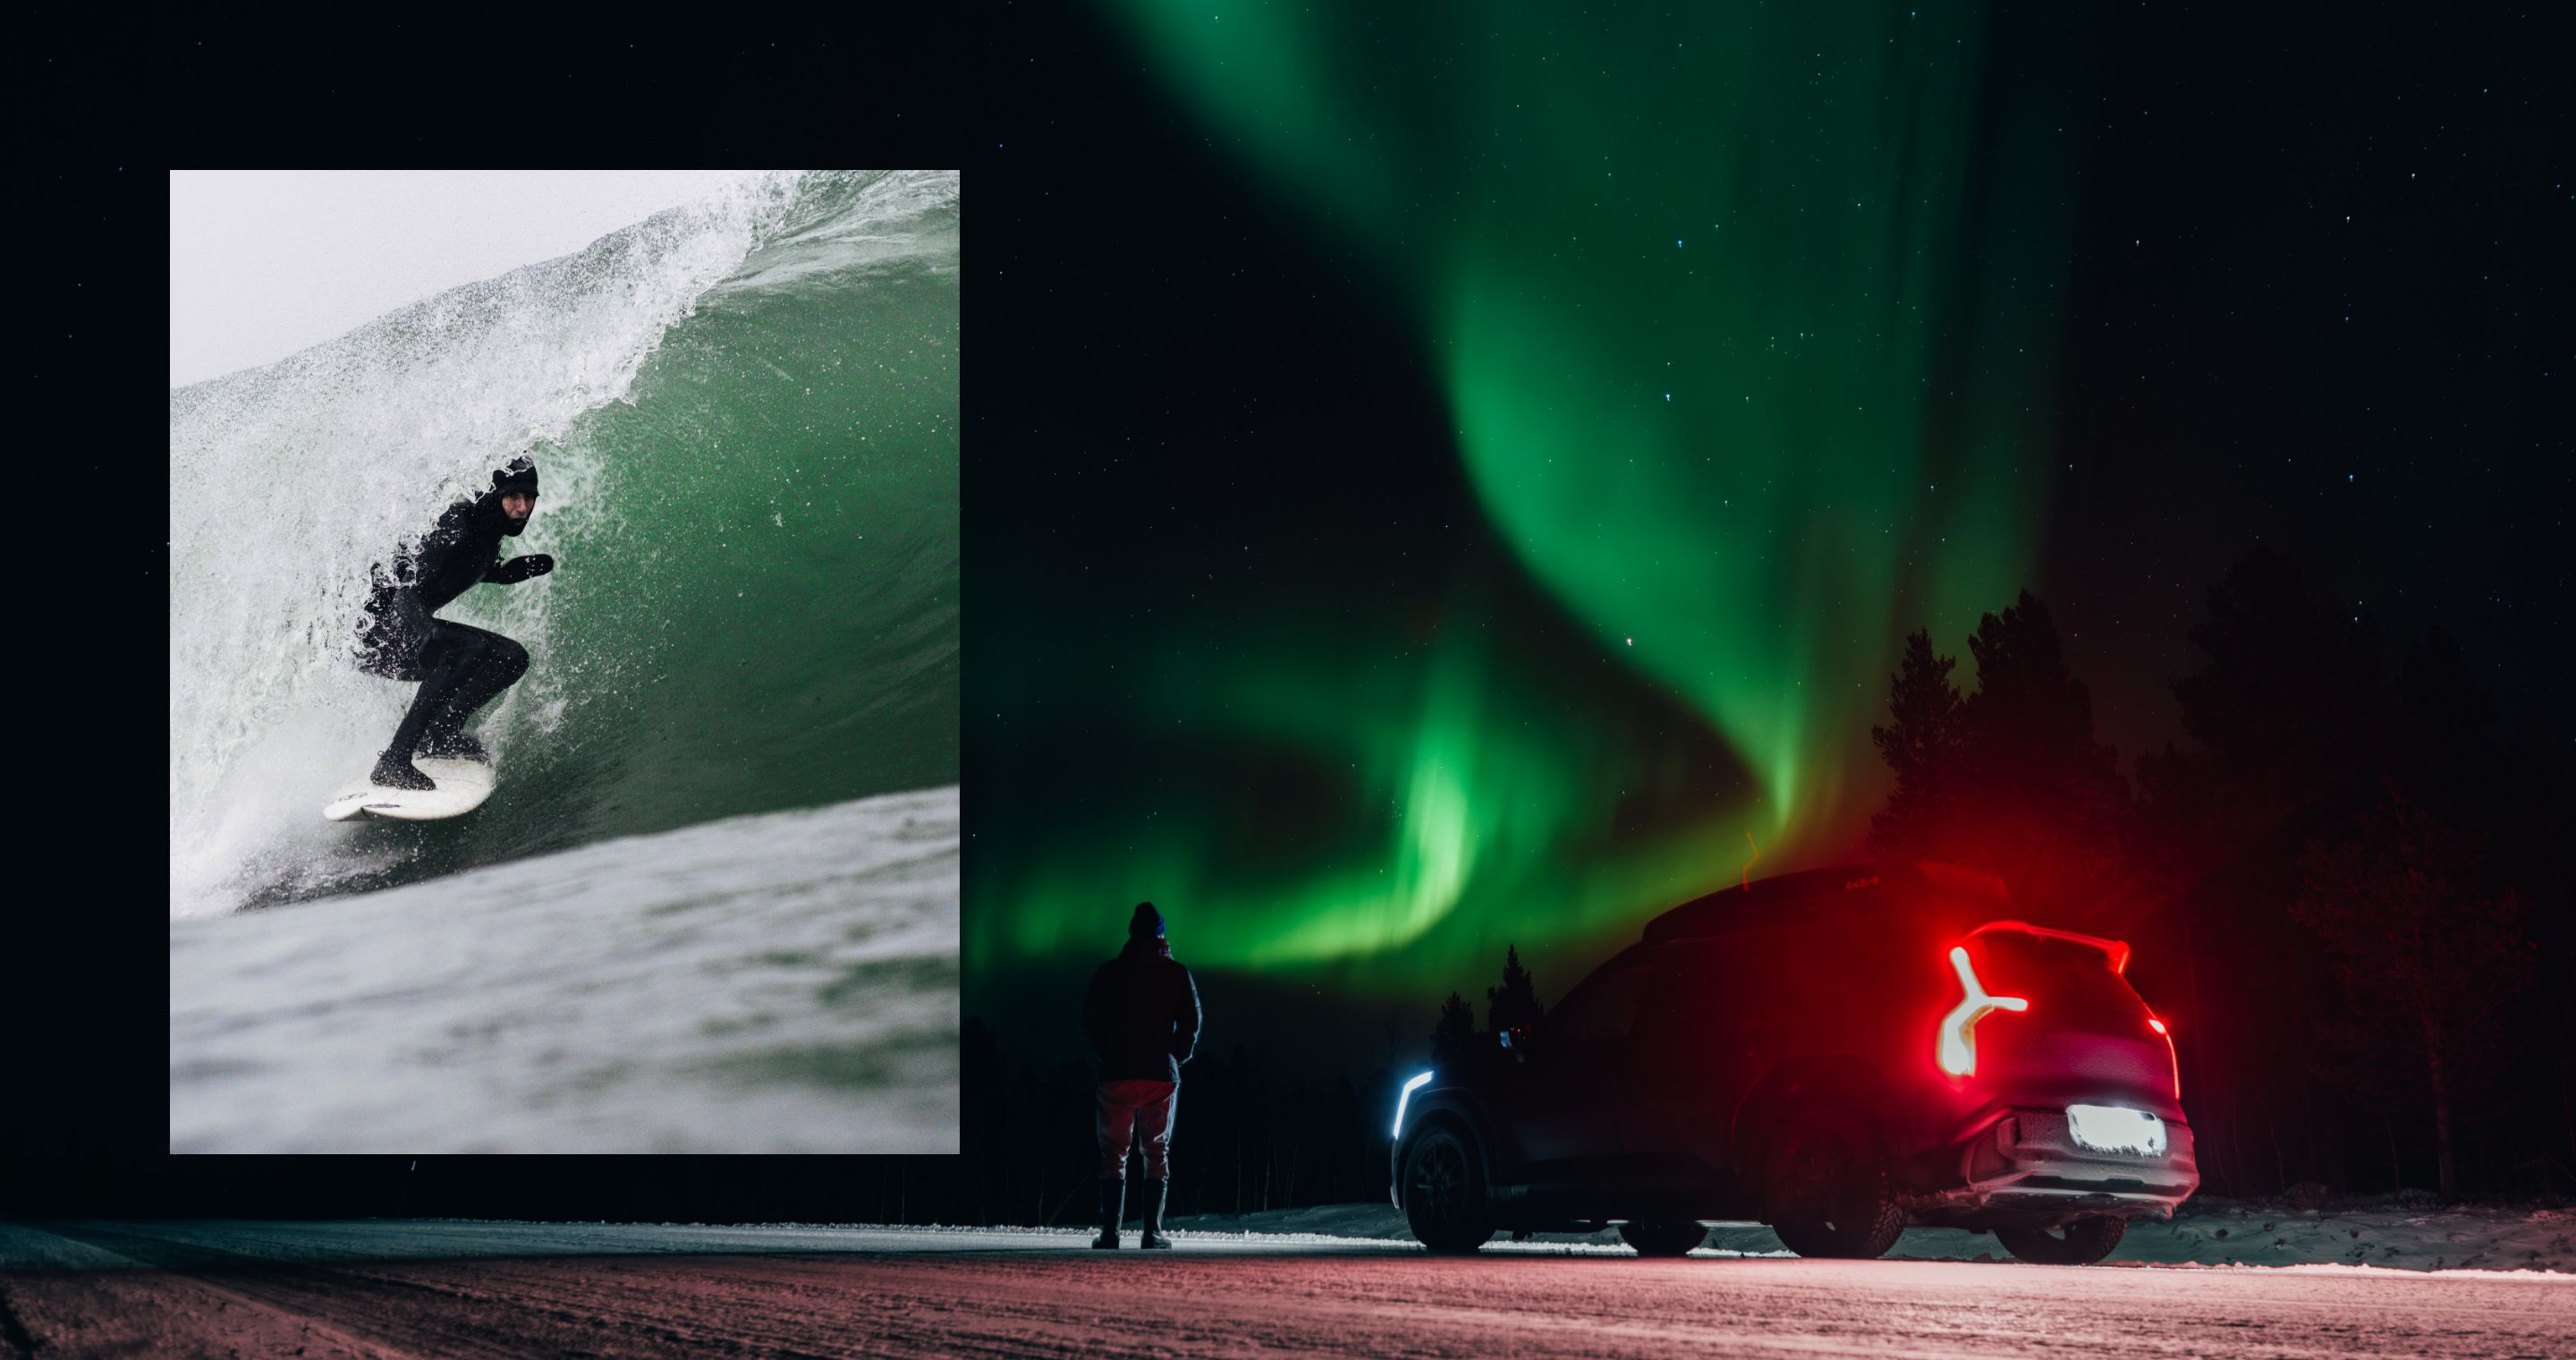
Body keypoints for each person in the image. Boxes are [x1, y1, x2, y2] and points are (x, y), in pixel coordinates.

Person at [352, 454, 555, 790]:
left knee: (513, 658)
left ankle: (440, 735)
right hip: (373, 638)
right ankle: (394, 760)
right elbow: (405, 593)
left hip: (403, 628)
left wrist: (508, 574)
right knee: (466, 650)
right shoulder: (457, 526)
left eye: (528, 499)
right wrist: (426, 631)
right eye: (513, 498)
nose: (522, 508)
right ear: (497, 495)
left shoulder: (486, 532)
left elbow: (457, 573)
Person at [1082, 901, 1201, 1250]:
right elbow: (1192, 1022)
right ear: (1161, 935)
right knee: (1156, 1150)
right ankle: (1152, 1233)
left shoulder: (1109, 972)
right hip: (1159, 1076)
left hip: (1117, 1074)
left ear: (1131, 934)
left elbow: (1090, 1019)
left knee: (1113, 1153)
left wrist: (1110, 1052)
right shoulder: (1177, 973)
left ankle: (1110, 1234)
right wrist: (1175, 1056)